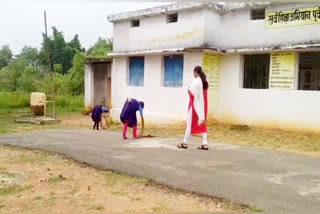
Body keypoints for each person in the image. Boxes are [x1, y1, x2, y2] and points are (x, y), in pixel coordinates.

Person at [178, 66, 209, 150]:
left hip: (194, 105)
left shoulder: (196, 82)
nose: (193, 74)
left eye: (194, 72)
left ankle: (184, 142)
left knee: (189, 123)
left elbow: (192, 94)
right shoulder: (205, 82)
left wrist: (189, 90)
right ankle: (205, 143)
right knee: (203, 123)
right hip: (203, 105)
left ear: (196, 72)